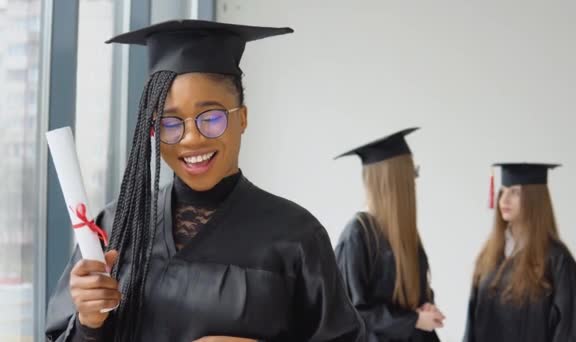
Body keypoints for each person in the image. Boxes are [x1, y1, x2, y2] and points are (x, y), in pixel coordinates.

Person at [46, 20, 364, 342]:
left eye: (211, 117)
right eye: (171, 123)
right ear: (153, 130)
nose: (192, 139)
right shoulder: (116, 228)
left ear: (242, 118)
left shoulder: (296, 236)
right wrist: (89, 324)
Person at [334, 128, 443, 341]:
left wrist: (425, 307)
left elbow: (415, 294)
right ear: (395, 181)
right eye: (412, 172)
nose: (414, 179)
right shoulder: (358, 235)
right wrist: (413, 320)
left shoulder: (406, 235)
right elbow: (350, 314)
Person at [464, 163, 576, 342]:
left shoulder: (557, 260)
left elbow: (570, 331)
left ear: (535, 200)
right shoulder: (489, 254)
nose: (504, 200)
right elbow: (471, 324)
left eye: (515, 192)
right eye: (503, 191)